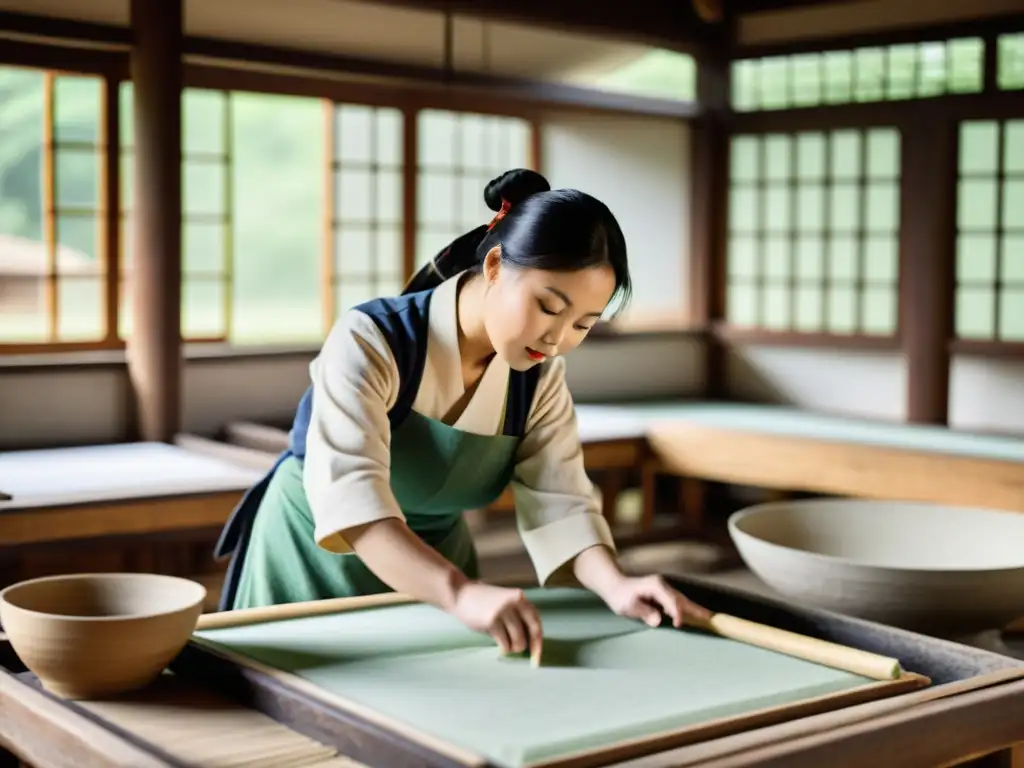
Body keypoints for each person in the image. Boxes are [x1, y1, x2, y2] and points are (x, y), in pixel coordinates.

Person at [214, 168, 710, 657]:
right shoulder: (371, 340)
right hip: (315, 555)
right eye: (548, 306)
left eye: (583, 323)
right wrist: (458, 592)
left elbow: (561, 500)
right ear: (494, 266)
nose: (558, 339)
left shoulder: (537, 376)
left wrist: (617, 587)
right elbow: (355, 503)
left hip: (437, 563)